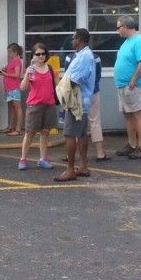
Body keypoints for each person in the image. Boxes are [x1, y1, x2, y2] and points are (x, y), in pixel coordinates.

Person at [55, 28, 96, 182]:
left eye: (73, 38)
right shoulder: (83, 55)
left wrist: (61, 87)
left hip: (76, 101)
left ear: (79, 40)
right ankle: (84, 166)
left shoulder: (85, 56)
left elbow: (76, 79)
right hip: (80, 100)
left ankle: (70, 169)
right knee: (81, 134)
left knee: (70, 134)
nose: (72, 41)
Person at [113, 15, 141, 159]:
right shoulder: (127, 42)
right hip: (122, 85)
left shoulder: (139, 41)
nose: (117, 30)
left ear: (127, 26)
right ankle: (131, 144)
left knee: (137, 114)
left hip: (133, 86)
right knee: (127, 115)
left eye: (118, 27)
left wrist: (134, 79)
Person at [64, 42, 108, 160]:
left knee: (74, 124)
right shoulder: (95, 57)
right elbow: (97, 75)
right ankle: (100, 153)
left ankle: (70, 155)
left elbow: (67, 75)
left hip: (75, 94)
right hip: (93, 92)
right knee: (95, 121)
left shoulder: (70, 57)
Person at [17, 43, 58, 170]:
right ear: (33, 55)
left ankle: (43, 159)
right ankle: (23, 159)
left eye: (43, 53)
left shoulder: (50, 68)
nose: (41, 56)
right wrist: (26, 76)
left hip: (49, 104)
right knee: (30, 133)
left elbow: (55, 85)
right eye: (38, 54)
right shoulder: (31, 70)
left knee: (45, 132)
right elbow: (23, 88)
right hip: (34, 104)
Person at [0, 43, 24, 136]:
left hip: (14, 88)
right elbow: (11, 71)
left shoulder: (17, 61)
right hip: (9, 88)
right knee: (11, 108)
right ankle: (10, 127)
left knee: (17, 108)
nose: (8, 54)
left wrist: (5, 74)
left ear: (15, 52)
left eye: (9, 52)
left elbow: (17, 75)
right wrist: (5, 70)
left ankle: (18, 129)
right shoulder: (12, 61)